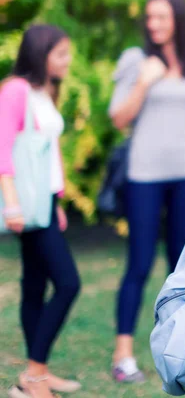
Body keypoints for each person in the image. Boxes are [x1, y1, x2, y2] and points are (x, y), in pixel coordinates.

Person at [109, 0, 185, 383]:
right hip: (144, 176)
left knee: (183, 266)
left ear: (179, 20)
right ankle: (123, 356)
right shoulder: (136, 61)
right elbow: (119, 118)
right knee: (138, 264)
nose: (154, 24)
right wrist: (144, 82)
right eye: (149, 17)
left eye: (162, 17)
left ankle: (182, 350)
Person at [0, 25, 81, 398]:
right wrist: (12, 202)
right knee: (68, 283)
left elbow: (49, 148)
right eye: (61, 54)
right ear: (40, 53)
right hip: (25, 203)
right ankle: (30, 380)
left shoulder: (45, 91)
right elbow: (3, 148)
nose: (67, 61)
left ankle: (39, 375)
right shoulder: (15, 90)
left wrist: (58, 199)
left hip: (44, 202)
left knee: (34, 285)